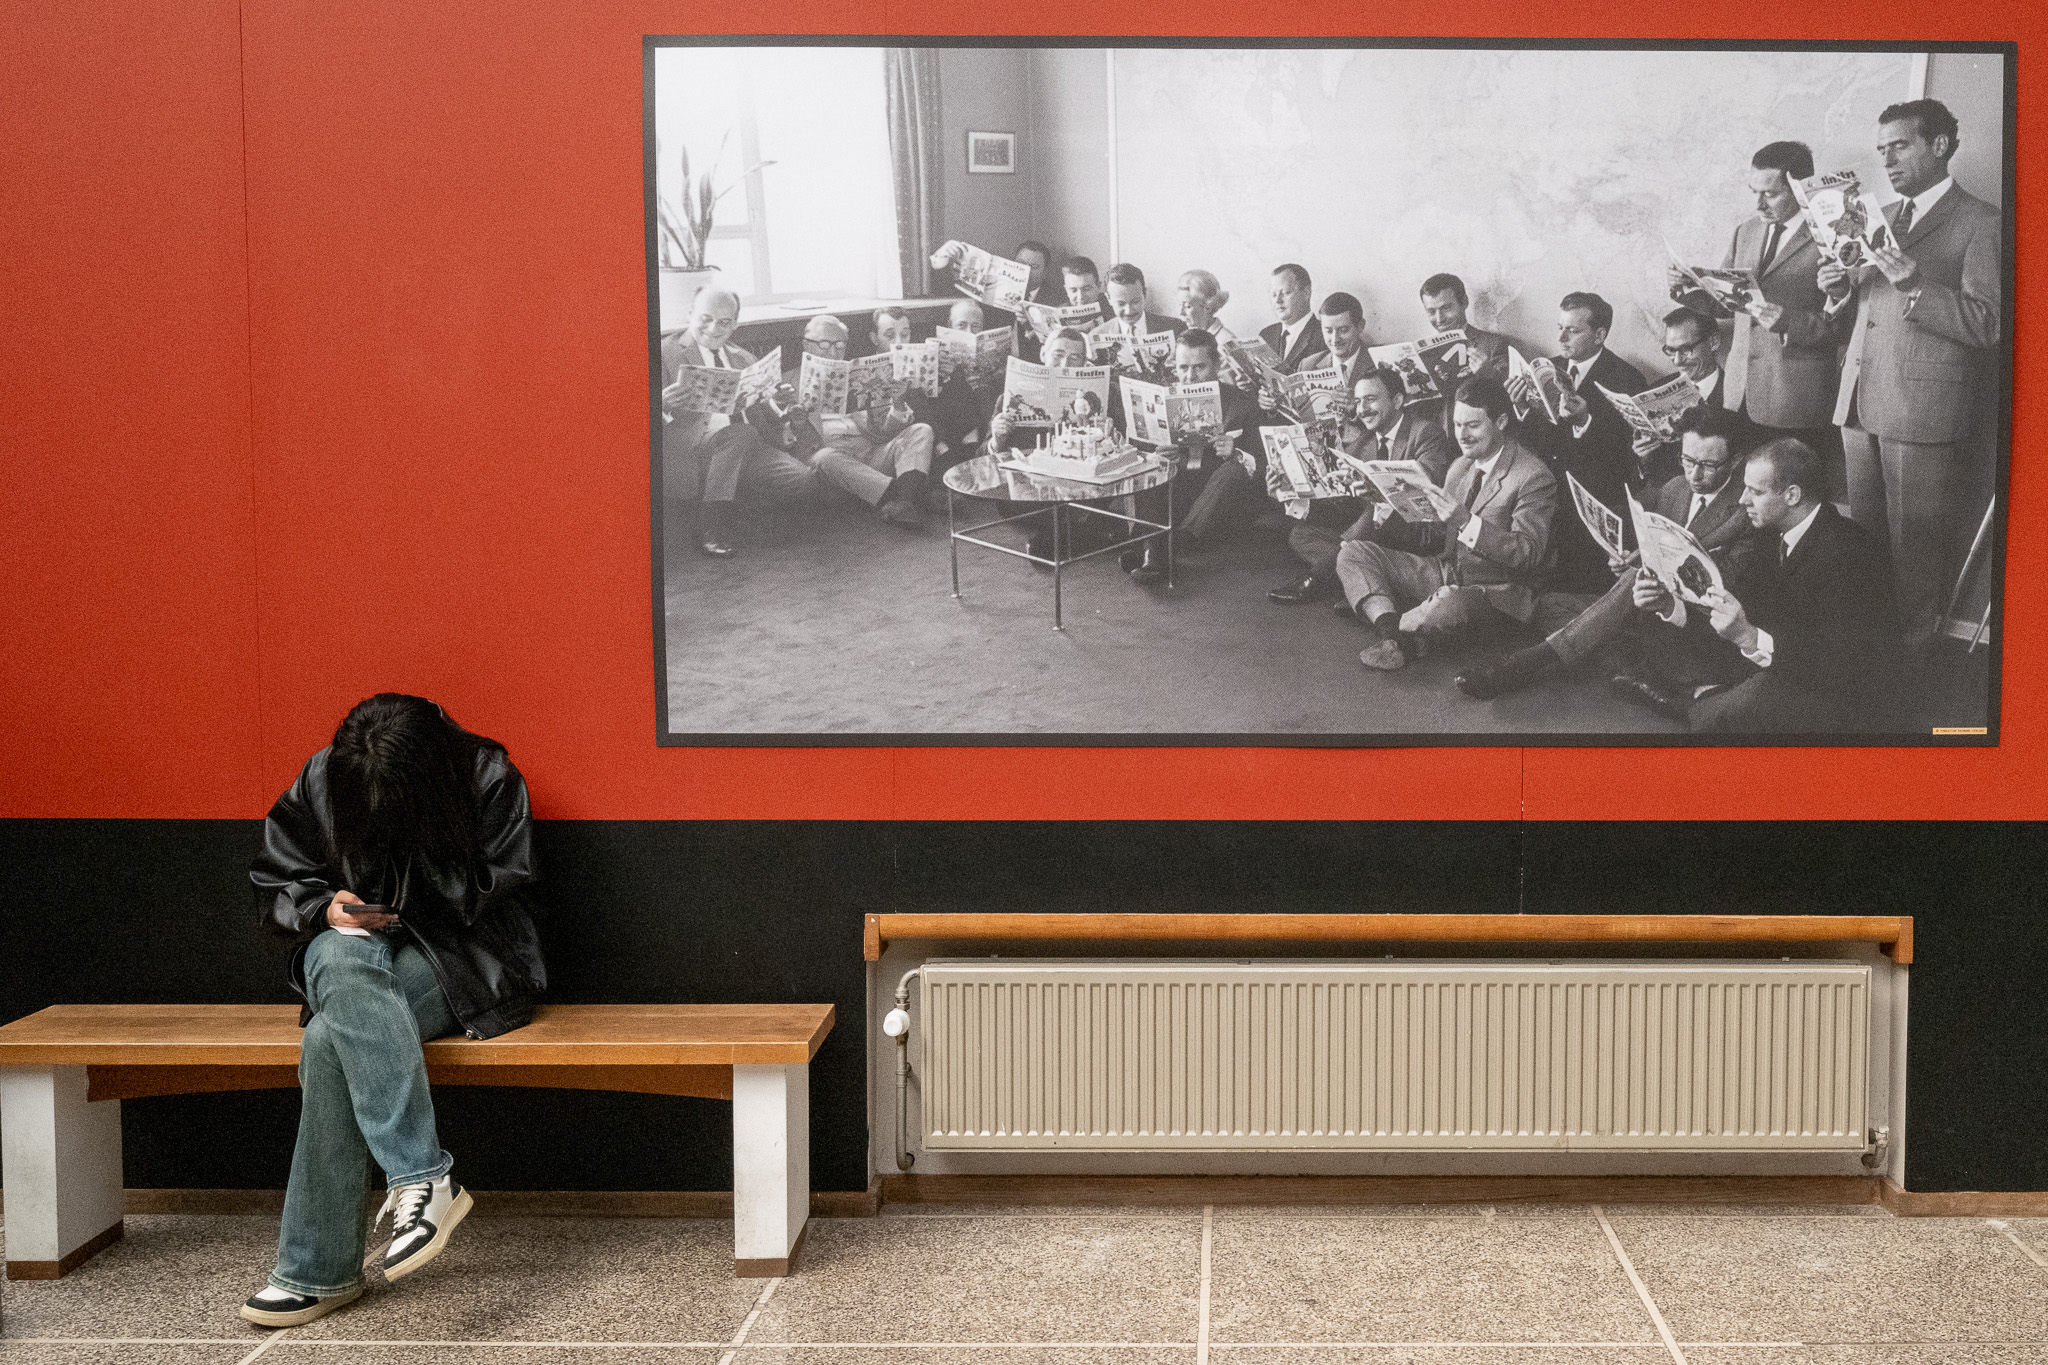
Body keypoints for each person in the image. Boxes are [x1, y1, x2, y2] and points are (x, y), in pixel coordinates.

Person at [242, 695, 543, 1328]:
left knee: (330, 1041)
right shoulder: (327, 775)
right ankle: (424, 1176)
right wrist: (326, 908)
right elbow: (277, 878)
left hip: (461, 959)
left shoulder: (489, 776)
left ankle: (316, 1273)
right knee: (336, 954)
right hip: (354, 957)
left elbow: (496, 888)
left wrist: (417, 852)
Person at [1823, 98, 2002, 654]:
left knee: (1917, 555)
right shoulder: (1880, 216)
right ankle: (1871, 661)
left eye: (1899, 147)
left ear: (1940, 145)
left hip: (1922, 412)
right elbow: (1868, 315)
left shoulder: (1982, 222)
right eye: (1882, 151)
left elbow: (1990, 324)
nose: (1888, 161)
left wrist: (1917, 287)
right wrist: (1837, 295)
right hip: (1859, 401)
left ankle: (1911, 676)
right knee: (1867, 545)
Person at [1454, 405, 1764, 700]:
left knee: (1629, 585)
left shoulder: (1748, 511)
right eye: (1687, 460)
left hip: (1692, 626)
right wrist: (1631, 557)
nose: (1694, 475)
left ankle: (1529, 662)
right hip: (1643, 611)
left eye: (1708, 466)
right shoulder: (1674, 488)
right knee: (1550, 604)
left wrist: (1654, 583)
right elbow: (1653, 541)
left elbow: (1731, 586)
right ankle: (1637, 665)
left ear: (1735, 461)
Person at [1625, 438, 1904, 732]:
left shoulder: (1851, 555)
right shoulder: (1772, 534)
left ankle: (1700, 700)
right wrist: (1669, 605)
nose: (1743, 499)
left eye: (1755, 492)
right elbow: (1750, 605)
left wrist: (1747, 636)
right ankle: (1706, 693)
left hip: (1838, 686)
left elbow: (1838, 664)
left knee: (1732, 709)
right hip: (1784, 657)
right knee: (1659, 645)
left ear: (1792, 495)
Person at [1336, 376, 1557, 670]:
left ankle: (1390, 621)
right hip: (1448, 572)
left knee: (1450, 606)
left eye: (1473, 425)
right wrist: (1385, 500)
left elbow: (1528, 553)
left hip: (1496, 591)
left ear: (1501, 421)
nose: (1462, 435)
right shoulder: (1460, 465)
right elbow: (1434, 536)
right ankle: (1396, 635)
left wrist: (1466, 522)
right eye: (1457, 425)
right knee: (1352, 553)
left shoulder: (1532, 476)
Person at [1668, 140, 1843, 490]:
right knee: (1746, 499)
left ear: (1799, 187)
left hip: (1796, 400)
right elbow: (1726, 304)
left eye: (1771, 193)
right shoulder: (1746, 231)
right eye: (1754, 192)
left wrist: (1788, 323)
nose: (1759, 203)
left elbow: (1843, 325)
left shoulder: (1834, 233)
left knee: (1789, 498)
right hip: (1740, 393)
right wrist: (1688, 290)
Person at [660, 289, 878, 556]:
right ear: (690, 315)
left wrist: (778, 402)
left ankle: (735, 511)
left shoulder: (743, 358)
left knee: (803, 482)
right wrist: (663, 404)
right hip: (692, 447)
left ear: (735, 324)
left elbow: (764, 419)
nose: (714, 328)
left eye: (725, 322)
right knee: (739, 433)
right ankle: (713, 526)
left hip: (749, 446)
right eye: (705, 319)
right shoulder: (664, 352)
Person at [1268, 363, 1454, 605]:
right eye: (1358, 401)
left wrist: (1377, 494)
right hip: (1371, 531)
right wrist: (1287, 493)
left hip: (1415, 529)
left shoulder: (1426, 433)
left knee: (1376, 512)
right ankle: (1361, 578)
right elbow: (1341, 507)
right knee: (1301, 535)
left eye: (1370, 400)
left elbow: (1426, 488)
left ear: (1397, 401)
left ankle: (1318, 579)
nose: (1362, 409)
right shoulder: (1361, 444)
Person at [1507, 291, 1647, 593]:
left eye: (1573, 330)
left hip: (1596, 494)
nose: (1561, 338)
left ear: (1600, 335)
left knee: (1580, 590)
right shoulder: (1547, 367)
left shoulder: (1627, 378)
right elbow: (1537, 441)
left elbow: (1623, 454)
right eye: (1560, 327)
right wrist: (1521, 407)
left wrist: (1584, 421)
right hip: (1547, 490)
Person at [1122, 329, 1268, 580]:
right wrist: (1158, 453)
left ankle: (1163, 546)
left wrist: (1237, 452)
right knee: (1151, 464)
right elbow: (1137, 449)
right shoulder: (1163, 397)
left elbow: (1263, 465)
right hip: (1177, 489)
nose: (1190, 377)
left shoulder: (1243, 404)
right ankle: (1153, 549)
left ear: (1217, 364)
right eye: (1183, 368)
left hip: (1217, 501)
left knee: (1234, 470)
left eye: (1199, 368)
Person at [758, 314, 930, 528]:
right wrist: (798, 423)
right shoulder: (784, 384)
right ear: (806, 345)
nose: (833, 352)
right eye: (824, 344)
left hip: (870, 451)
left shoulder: (860, 374)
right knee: (826, 458)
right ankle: (905, 497)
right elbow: (780, 442)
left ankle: (900, 502)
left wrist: (897, 404)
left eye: (840, 345)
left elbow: (884, 433)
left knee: (921, 430)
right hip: (830, 460)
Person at [1629, 306, 1744, 490]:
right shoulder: (1655, 391)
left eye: (1686, 349)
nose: (1677, 361)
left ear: (1713, 342)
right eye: (1670, 350)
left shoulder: (1739, 397)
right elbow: (1650, 474)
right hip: (1666, 496)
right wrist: (1645, 455)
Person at [1415, 272, 1512, 436]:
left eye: (1446, 308)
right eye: (1431, 311)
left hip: (1477, 438)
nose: (1439, 319)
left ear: (1464, 302)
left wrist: (1488, 374)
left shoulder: (1494, 345)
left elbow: (1509, 401)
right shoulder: (1420, 353)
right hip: (1434, 440)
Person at [1299, 292, 1374, 390]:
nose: (1335, 339)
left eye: (1343, 330)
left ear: (1360, 326)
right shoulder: (1307, 366)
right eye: (1328, 331)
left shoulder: (1380, 364)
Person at [1260, 263, 1325, 374]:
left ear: (1306, 293)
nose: (1278, 300)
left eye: (1285, 292)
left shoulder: (1325, 335)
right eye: (1274, 294)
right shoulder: (1266, 335)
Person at [1176, 269, 1237, 348]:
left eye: (1187, 306)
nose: (1181, 313)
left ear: (1207, 307)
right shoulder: (1190, 336)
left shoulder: (1226, 342)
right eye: (1180, 305)